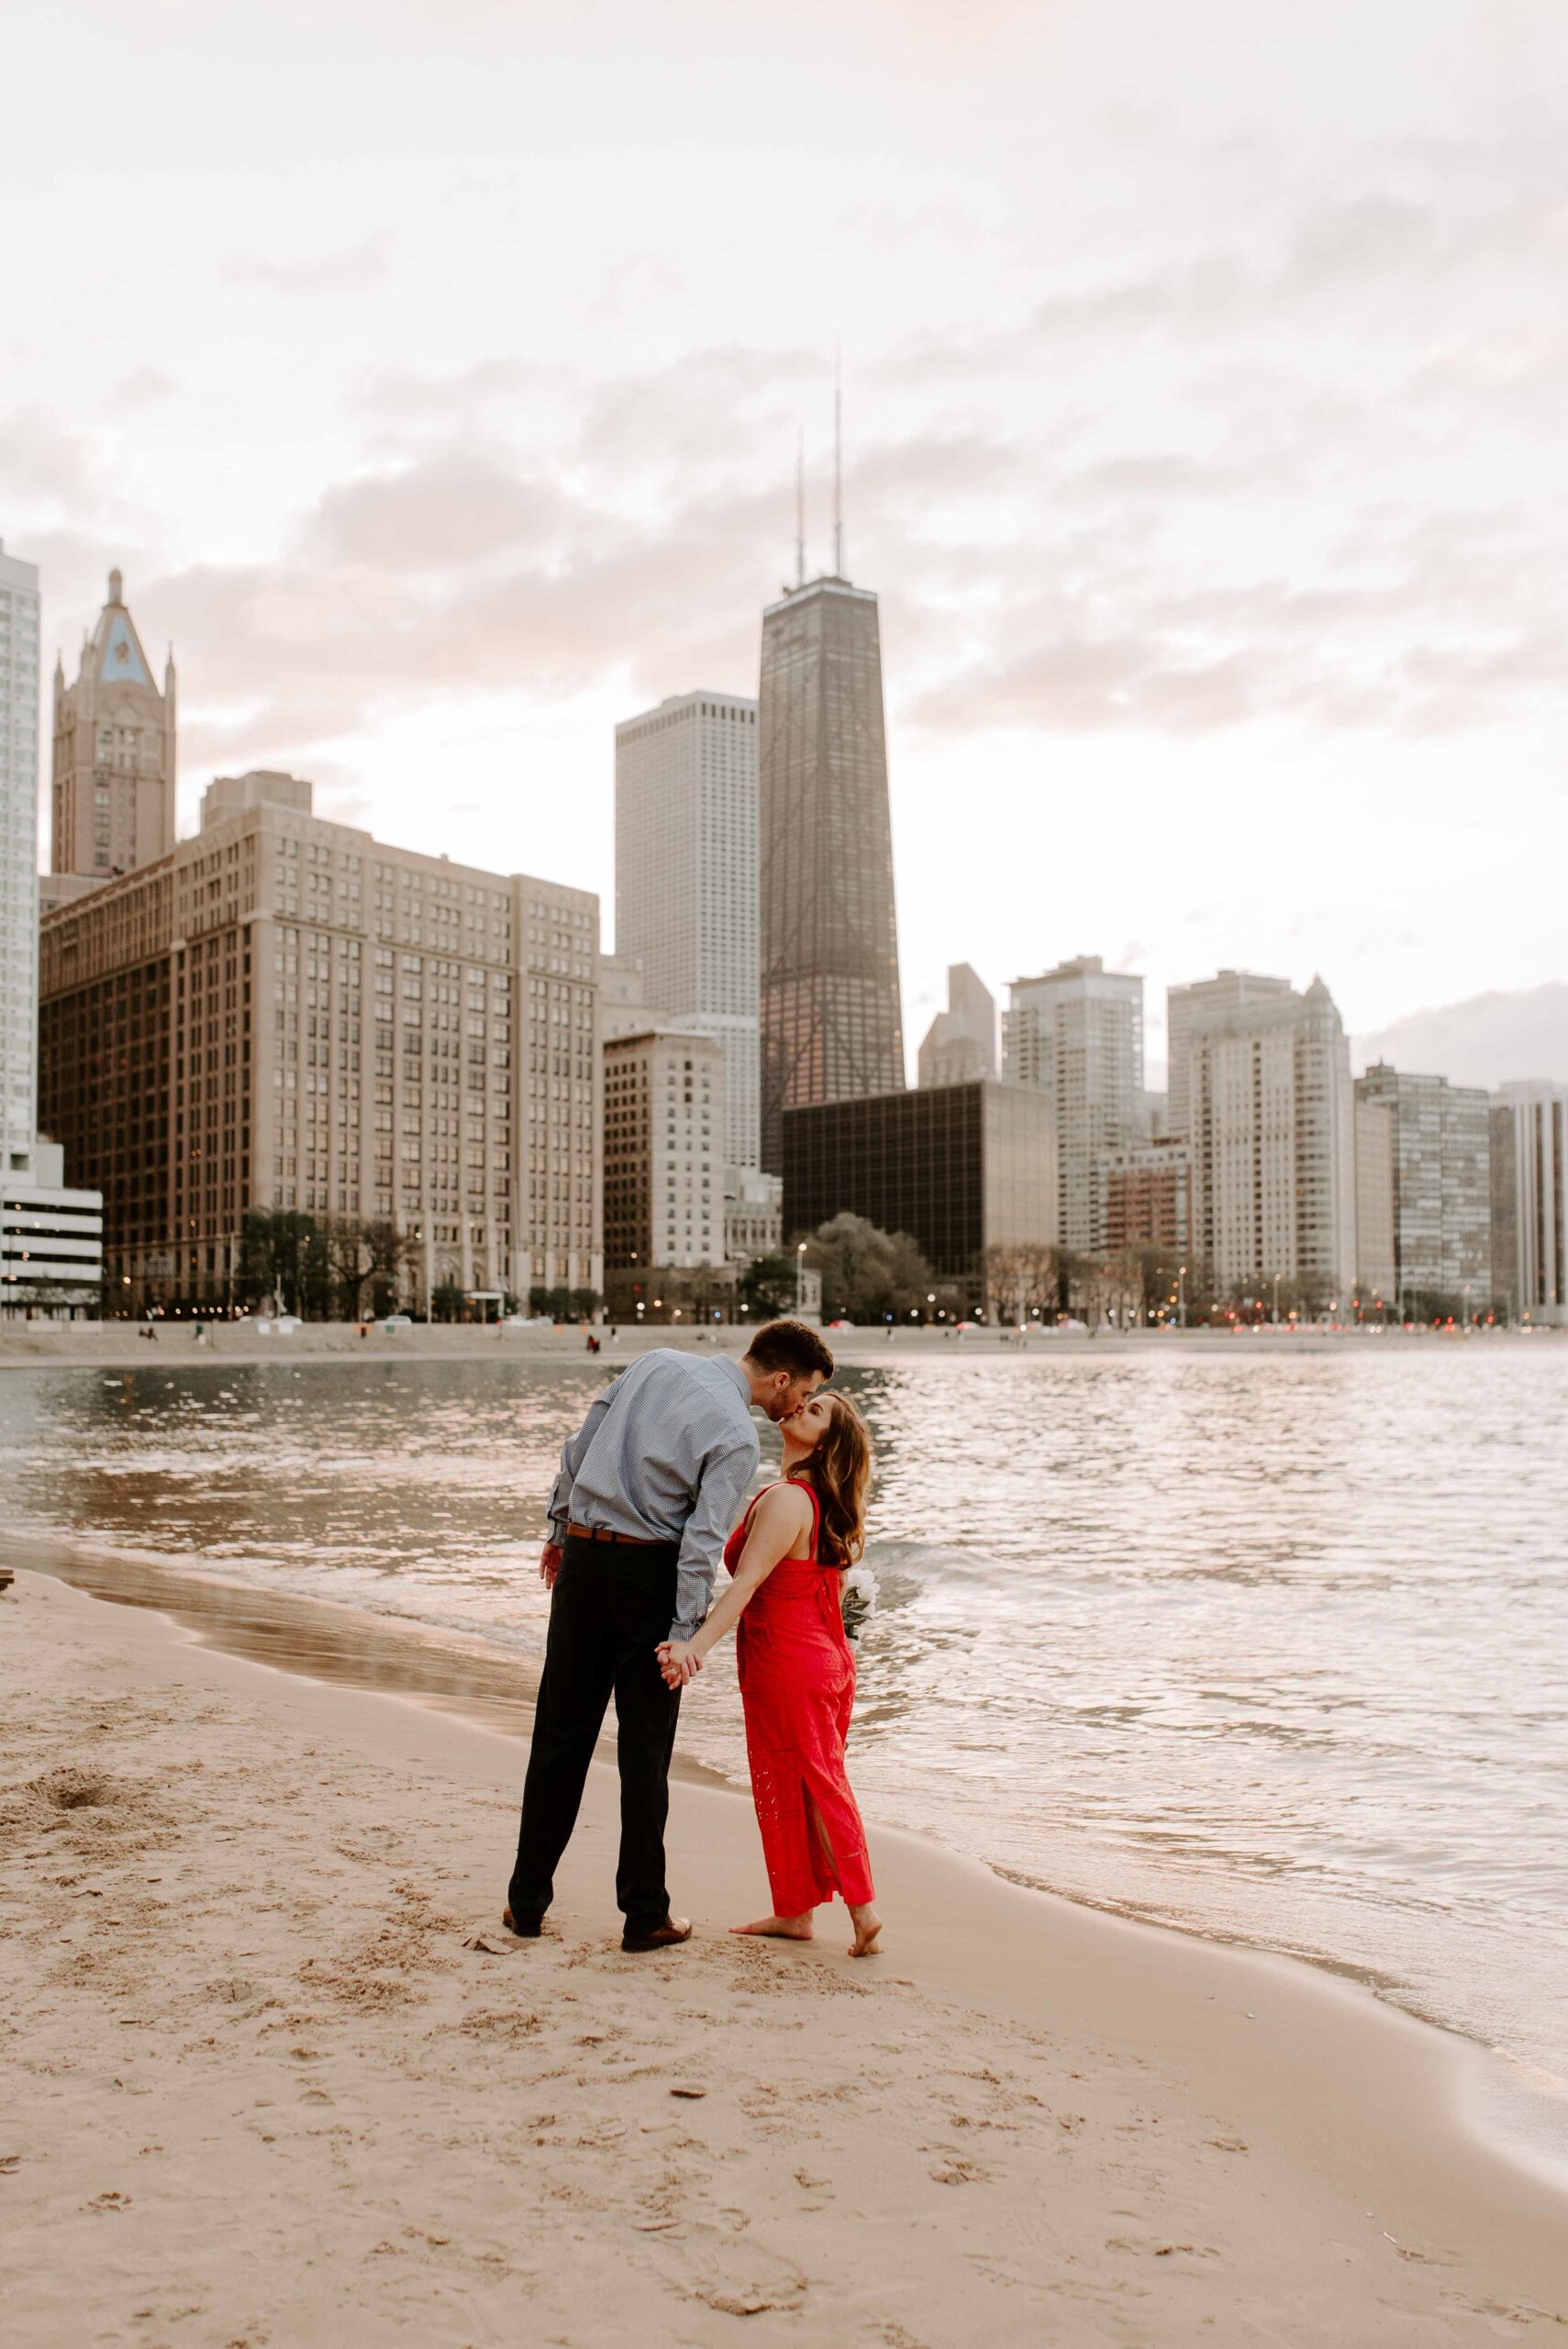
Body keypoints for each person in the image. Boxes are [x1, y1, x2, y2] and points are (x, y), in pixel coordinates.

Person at [504, 1319, 834, 1953]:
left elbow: (578, 1448)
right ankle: (644, 1915)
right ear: (781, 1378)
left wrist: (557, 1533)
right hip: (648, 1579)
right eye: (804, 1391)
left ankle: (525, 1904)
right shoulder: (737, 1434)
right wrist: (684, 1636)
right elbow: (699, 1543)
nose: (797, 1406)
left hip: (583, 1560)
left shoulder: (654, 1362)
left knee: (559, 1737)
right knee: (644, 1753)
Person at [658, 1391, 882, 1958]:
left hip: (791, 1662)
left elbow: (746, 1584)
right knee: (796, 1783)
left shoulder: (788, 1499)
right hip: (814, 1658)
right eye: (805, 1402)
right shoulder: (816, 1500)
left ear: (827, 1442)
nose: (800, 1408)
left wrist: (692, 1648)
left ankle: (864, 1911)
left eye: (816, 1412)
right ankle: (796, 1912)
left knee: (814, 1784)